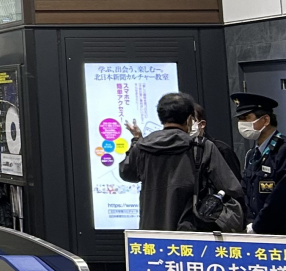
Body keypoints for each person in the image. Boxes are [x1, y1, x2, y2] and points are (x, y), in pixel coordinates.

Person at [119, 91, 244, 231]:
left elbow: (127, 173)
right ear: (189, 118)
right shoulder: (202, 147)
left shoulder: (142, 147)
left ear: (161, 118)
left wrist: (136, 141)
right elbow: (232, 188)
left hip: (151, 230)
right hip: (191, 230)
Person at [233, 92, 286, 228]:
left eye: (246, 118)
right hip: (256, 233)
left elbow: (280, 196)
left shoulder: (282, 150)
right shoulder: (252, 154)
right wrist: (249, 223)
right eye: (239, 119)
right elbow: (246, 192)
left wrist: (258, 225)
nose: (241, 124)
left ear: (266, 120)